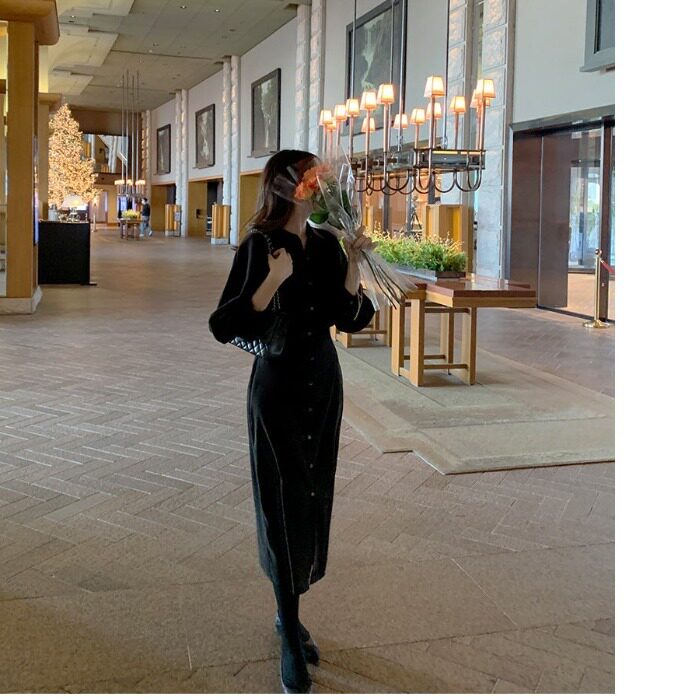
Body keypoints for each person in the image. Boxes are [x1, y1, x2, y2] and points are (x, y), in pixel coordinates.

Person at [209, 150, 375, 693]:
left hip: (322, 383)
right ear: (287, 186)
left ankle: (291, 610)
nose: (321, 185)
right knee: (279, 500)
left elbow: (346, 316)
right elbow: (225, 323)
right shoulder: (260, 245)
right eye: (313, 177)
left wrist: (353, 263)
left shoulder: (326, 244)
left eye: (323, 177)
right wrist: (271, 280)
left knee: (311, 494)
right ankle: (287, 629)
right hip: (277, 386)